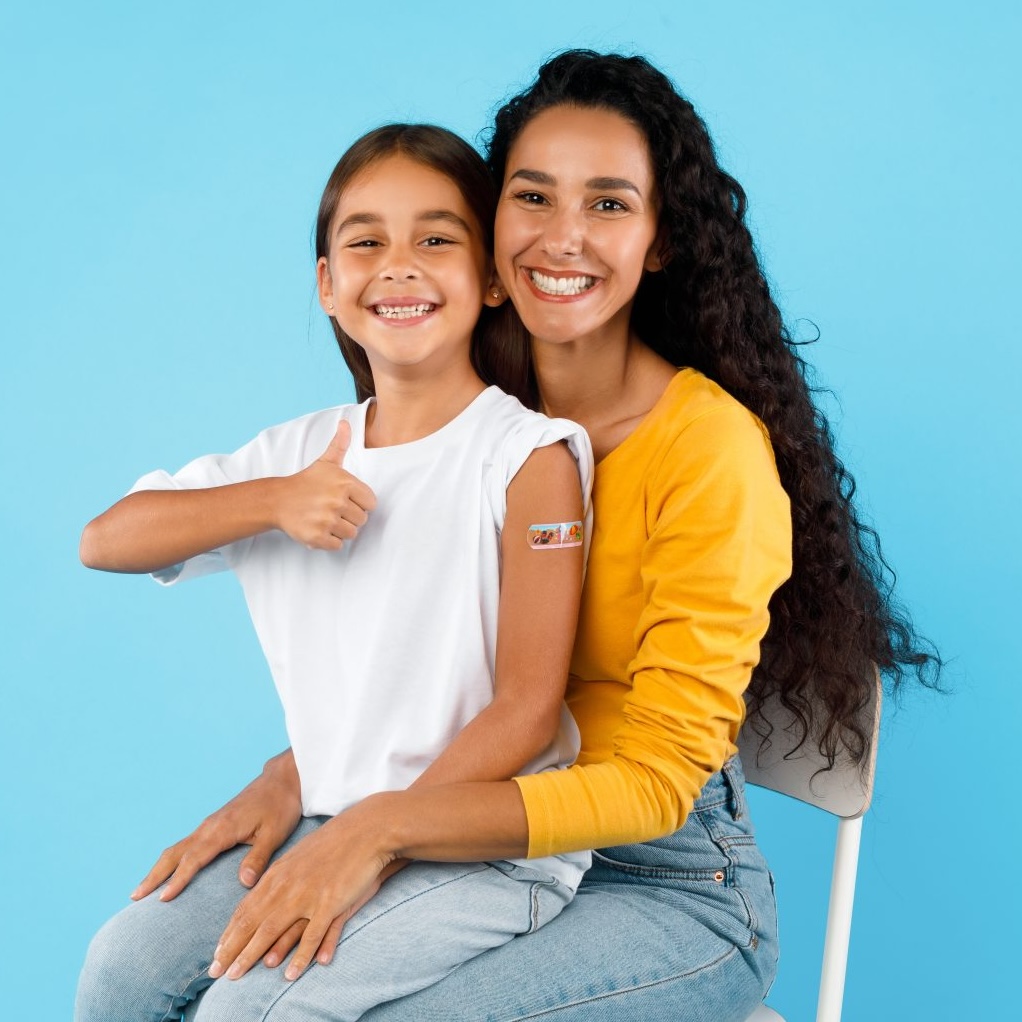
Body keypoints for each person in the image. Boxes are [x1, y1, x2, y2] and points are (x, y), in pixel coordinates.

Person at [121, 51, 941, 1022]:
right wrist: (296, 778)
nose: (562, 237)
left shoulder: (709, 452)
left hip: (662, 881)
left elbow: (651, 784)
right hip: (462, 831)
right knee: (133, 975)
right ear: (486, 223)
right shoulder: (474, 414)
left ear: (659, 240)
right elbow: (415, 660)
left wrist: (376, 829)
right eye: (532, 196)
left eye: (607, 204)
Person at [74, 124, 596, 1022]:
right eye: (365, 242)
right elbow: (107, 539)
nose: (399, 267)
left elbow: (527, 708)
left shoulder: (529, 456)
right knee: (121, 969)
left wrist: (372, 839)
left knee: (250, 1012)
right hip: (329, 819)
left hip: (490, 851)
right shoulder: (298, 456)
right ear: (327, 284)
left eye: (436, 239)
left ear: (494, 280)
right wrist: (272, 502)